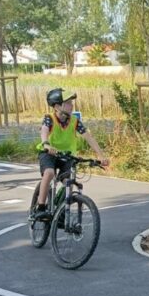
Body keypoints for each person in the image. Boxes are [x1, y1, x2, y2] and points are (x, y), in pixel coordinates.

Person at [32, 89, 109, 220]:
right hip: (49, 153)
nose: (71, 105)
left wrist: (101, 156)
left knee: (69, 182)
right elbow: (44, 130)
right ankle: (41, 207)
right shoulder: (49, 118)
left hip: (66, 156)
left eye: (71, 102)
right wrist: (46, 144)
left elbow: (89, 137)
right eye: (67, 103)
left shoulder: (75, 121)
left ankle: (61, 213)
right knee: (49, 173)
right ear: (57, 106)